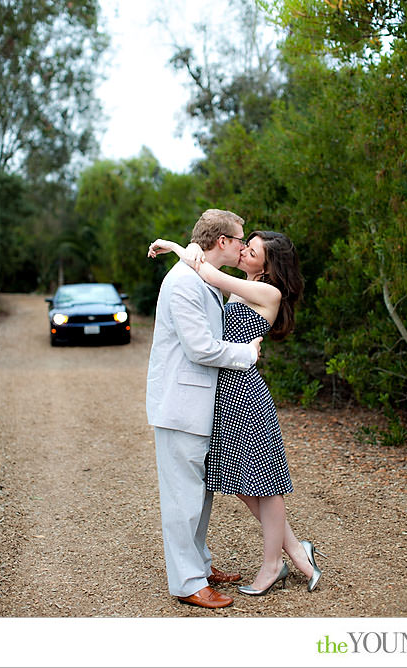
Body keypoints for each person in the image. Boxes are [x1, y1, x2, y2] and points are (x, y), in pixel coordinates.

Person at [148, 229, 324, 597]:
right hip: (224, 394)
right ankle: (294, 548)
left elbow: (207, 272)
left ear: (268, 263)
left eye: (252, 250)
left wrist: (175, 246)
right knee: (245, 488)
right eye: (245, 245)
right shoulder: (241, 286)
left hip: (246, 394)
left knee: (266, 485)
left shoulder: (267, 291)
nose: (244, 251)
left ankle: (272, 564)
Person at [146, 209, 263, 609]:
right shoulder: (182, 283)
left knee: (200, 495)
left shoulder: (198, 274)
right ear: (222, 243)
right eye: (240, 239)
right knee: (181, 499)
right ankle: (187, 583)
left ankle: (200, 565)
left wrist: (176, 246)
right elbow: (200, 348)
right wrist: (246, 353)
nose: (244, 246)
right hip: (180, 405)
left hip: (201, 404)